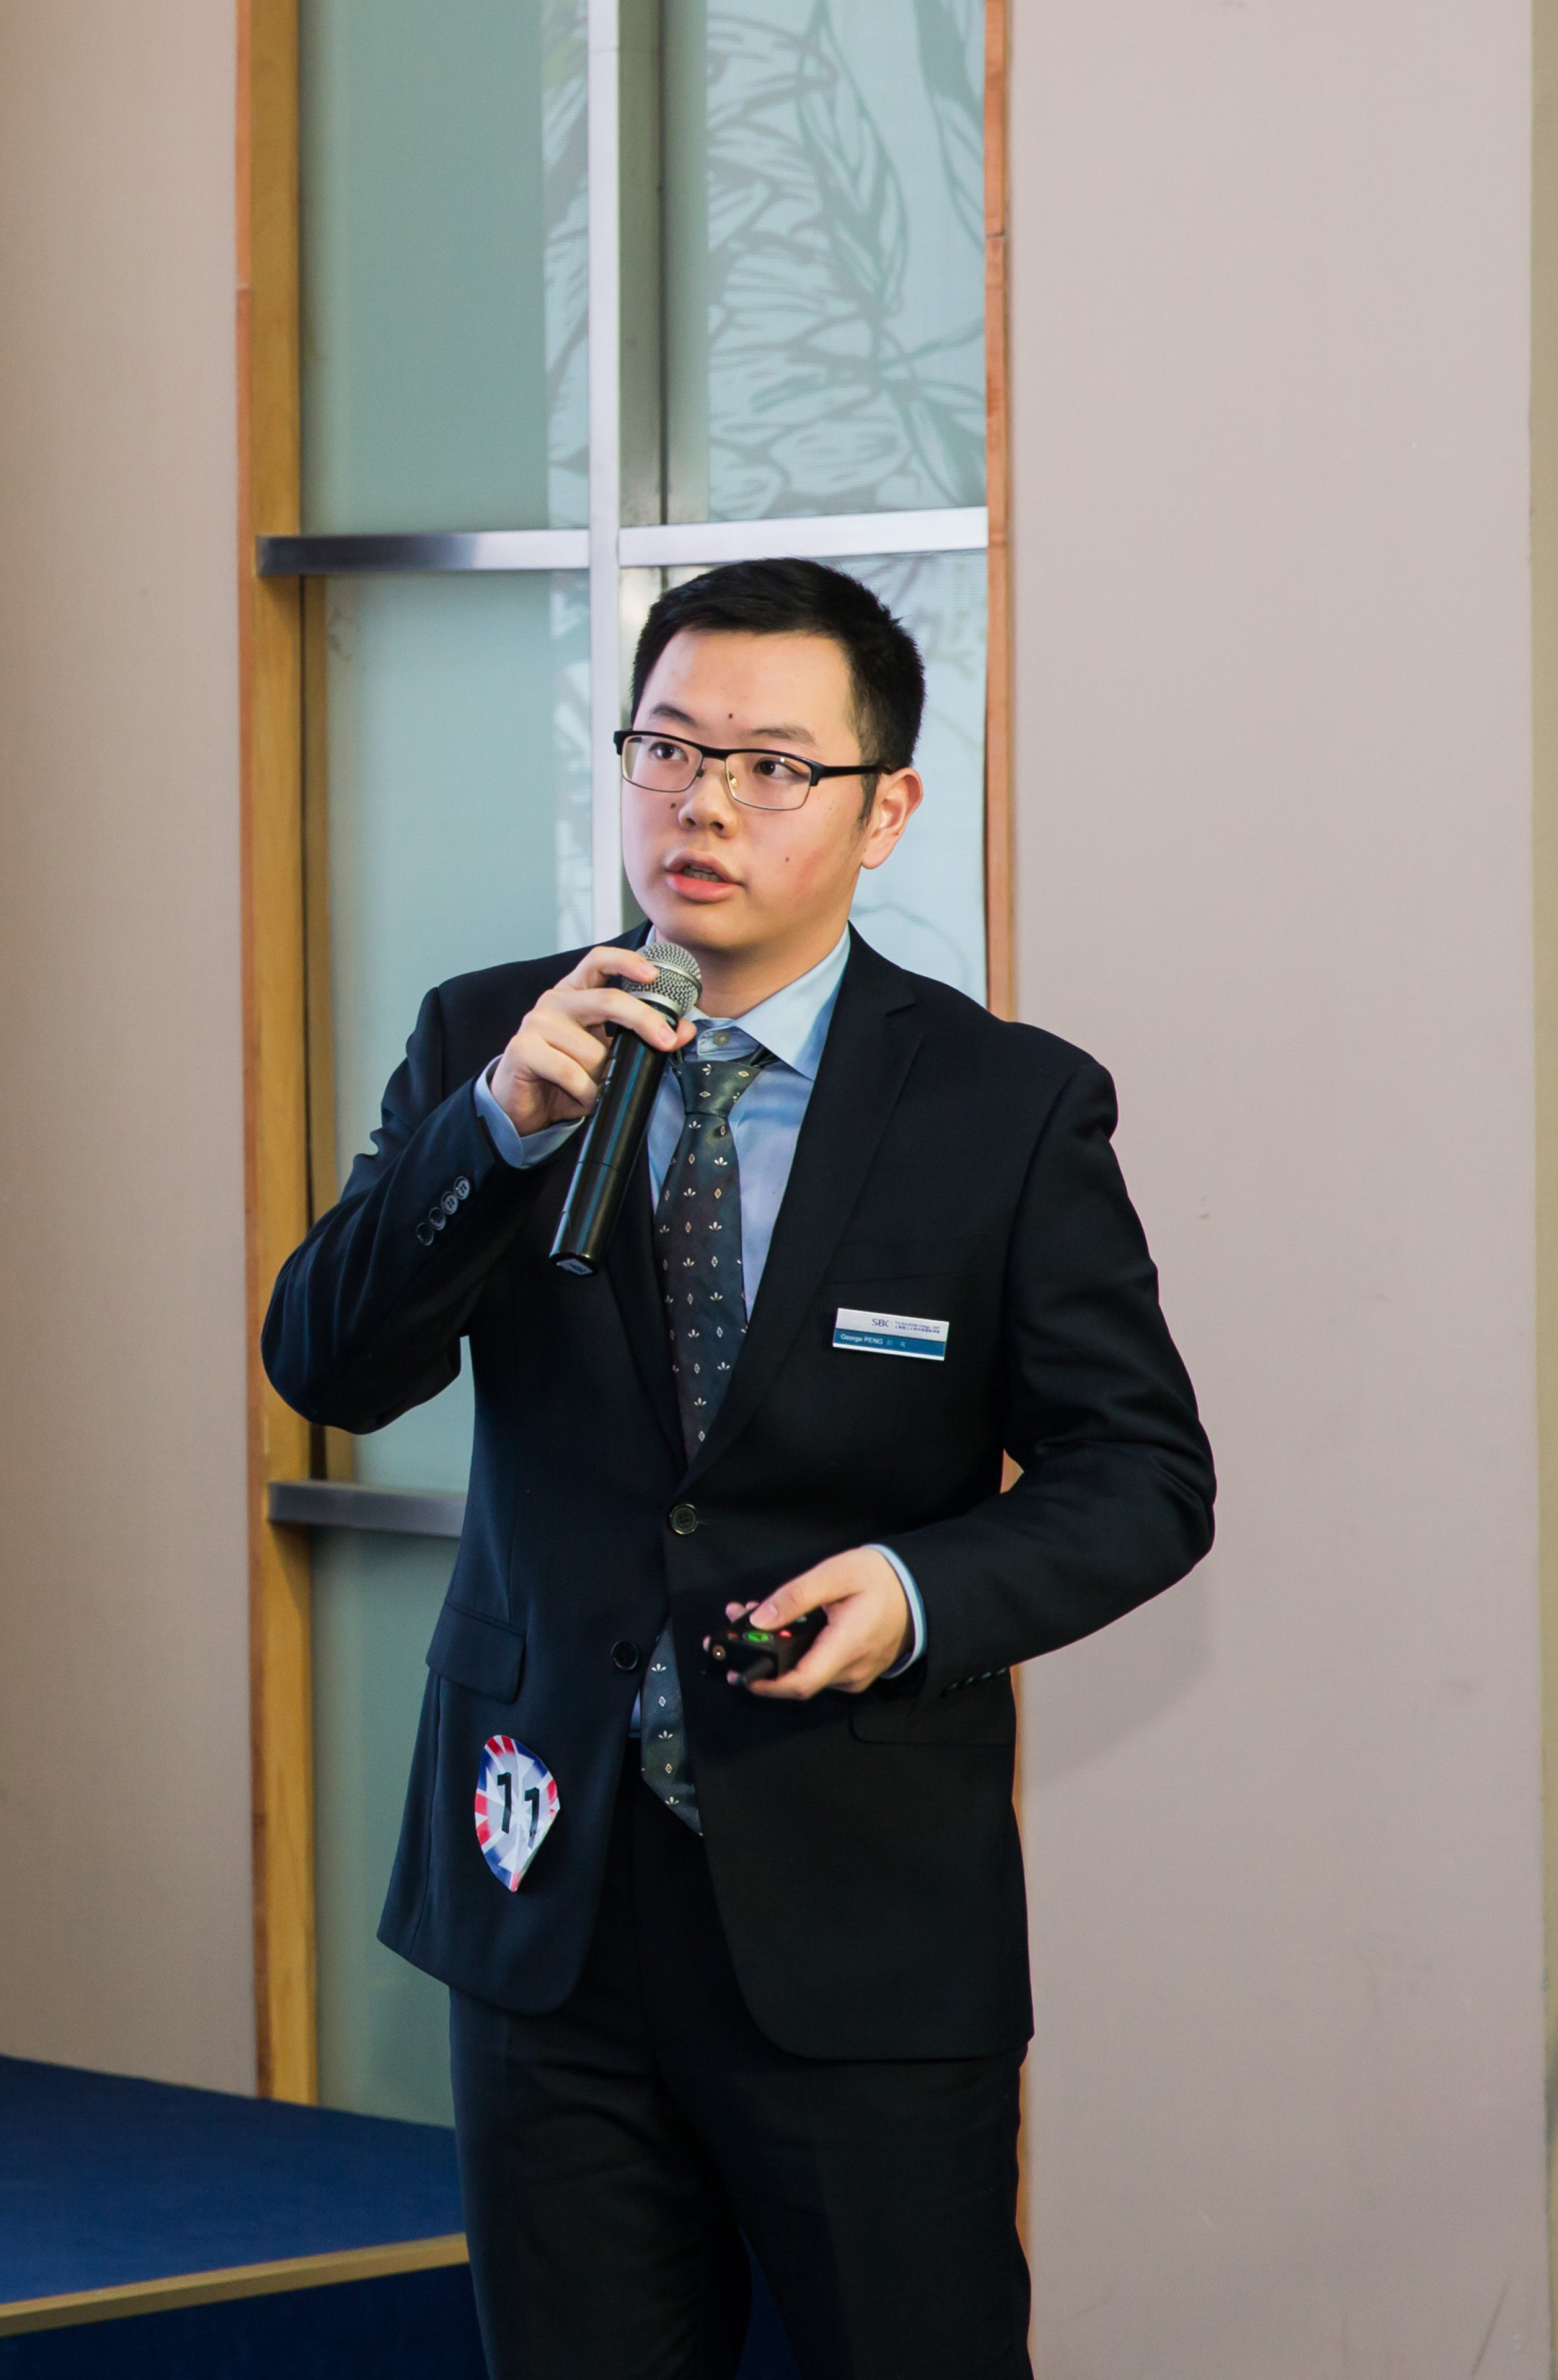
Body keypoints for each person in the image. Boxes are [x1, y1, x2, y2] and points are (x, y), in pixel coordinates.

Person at [260, 558, 1212, 2379]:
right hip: (546, 1892)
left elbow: (1144, 1474)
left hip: (857, 1920)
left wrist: (920, 1592)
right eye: (669, 749)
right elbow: (330, 1368)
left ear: (884, 813)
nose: (703, 804)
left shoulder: (1003, 1107)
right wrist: (495, 1133)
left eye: (773, 767)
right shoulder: (491, 1036)